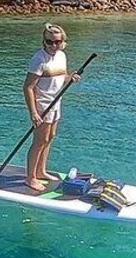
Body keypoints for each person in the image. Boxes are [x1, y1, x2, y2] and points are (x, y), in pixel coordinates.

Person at [23, 23, 81, 192]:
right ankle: (30, 178)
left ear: (62, 41)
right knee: (39, 141)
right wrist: (33, 112)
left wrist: (71, 78)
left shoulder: (62, 56)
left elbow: (62, 78)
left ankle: (41, 171)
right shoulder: (38, 60)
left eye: (57, 42)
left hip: (56, 103)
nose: (53, 45)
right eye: (49, 42)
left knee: (50, 138)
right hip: (42, 105)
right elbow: (28, 87)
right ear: (44, 41)